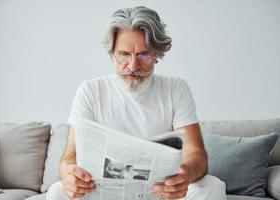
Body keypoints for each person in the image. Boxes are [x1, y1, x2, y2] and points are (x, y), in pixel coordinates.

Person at [47, 6, 226, 200]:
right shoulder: (90, 90)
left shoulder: (176, 88)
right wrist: (69, 175)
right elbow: (69, 157)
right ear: (112, 53)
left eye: (143, 55)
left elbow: (197, 155)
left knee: (212, 187)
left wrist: (184, 175)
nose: (133, 66)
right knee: (57, 191)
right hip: (103, 193)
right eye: (124, 54)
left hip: (161, 194)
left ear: (156, 54)